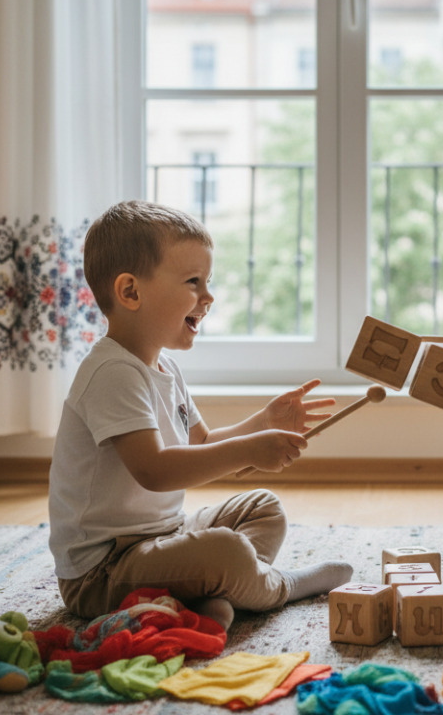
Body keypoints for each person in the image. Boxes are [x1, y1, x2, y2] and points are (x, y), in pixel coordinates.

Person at [48, 199, 353, 629]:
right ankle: (276, 587)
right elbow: (155, 470)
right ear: (131, 292)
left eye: (208, 282)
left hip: (163, 536)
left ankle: (214, 592)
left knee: (263, 508)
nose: (208, 297)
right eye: (194, 282)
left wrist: (263, 423)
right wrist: (250, 450)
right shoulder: (112, 372)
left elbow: (204, 443)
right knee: (226, 551)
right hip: (103, 572)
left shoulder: (165, 367)